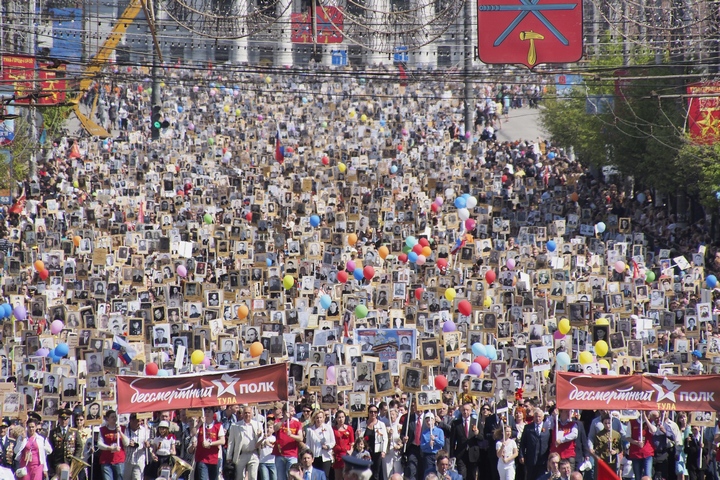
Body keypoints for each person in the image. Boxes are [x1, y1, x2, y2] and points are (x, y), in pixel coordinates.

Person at [226, 406, 264, 480]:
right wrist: (229, 457)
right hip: (241, 454)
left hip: (253, 454)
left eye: (249, 413)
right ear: (243, 414)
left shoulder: (258, 425)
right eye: (245, 413)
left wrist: (260, 435)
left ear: (252, 414)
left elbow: (261, 440)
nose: (247, 415)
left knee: (253, 477)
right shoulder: (235, 426)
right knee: (239, 477)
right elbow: (231, 442)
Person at [449, 402, 481, 480]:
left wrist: (477, 434)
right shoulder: (456, 423)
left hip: (473, 454)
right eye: (463, 410)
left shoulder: (476, 422)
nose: (465, 412)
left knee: (471, 475)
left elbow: (482, 437)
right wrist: (452, 455)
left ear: (470, 411)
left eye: (467, 410)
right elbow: (452, 440)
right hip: (460, 454)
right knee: (462, 475)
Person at [192, 408, 225, 480]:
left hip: (214, 459)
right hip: (202, 459)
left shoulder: (218, 425)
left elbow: (222, 441)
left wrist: (210, 444)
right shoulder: (200, 425)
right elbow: (192, 433)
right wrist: (200, 423)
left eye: (209, 412)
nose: (207, 414)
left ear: (213, 414)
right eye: (205, 412)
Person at [518, 408, 551, 480]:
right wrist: (521, 455)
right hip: (531, 459)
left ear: (542, 417)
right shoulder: (528, 428)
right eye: (536, 416)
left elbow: (549, 444)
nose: (537, 418)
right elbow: (523, 443)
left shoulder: (547, 429)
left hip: (543, 460)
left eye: (539, 416)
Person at [355, 406, 387, 480]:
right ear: (368, 413)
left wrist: (384, 451)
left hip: (377, 452)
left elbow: (385, 439)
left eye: (375, 412)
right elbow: (358, 440)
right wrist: (357, 434)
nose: (373, 413)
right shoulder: (362, 424)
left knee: (376, 473)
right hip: (365, 452)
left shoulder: (381, 424)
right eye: (371, 412)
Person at [273, 404, 303, 480]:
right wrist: (284, 419)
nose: (294, 412)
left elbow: (300, 438)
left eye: (294, 410)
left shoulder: (297, 423)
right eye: (291, 411)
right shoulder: (278, 421)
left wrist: (292, 435)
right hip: (280, 454)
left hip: (292, 454)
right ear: (285, 412)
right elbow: (275, 428)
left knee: (292, 477)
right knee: (280, 477)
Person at [48, 409, 82, 476]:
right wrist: (50, 464)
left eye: (66, 419)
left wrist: (76, 459)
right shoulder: (53, 432)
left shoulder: (74, 431)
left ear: (68, 419)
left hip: (70, 461)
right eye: (62, 419)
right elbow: (50, 448)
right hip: (57, 462)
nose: (64, 421)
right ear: (59, 419)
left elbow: (79, 446)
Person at [305, 410, 335, 480]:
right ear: (314, 418)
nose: (319, 419)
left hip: (326, 456)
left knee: (325, 476)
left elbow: (333, 441)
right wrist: (309, 455)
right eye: (317, 418)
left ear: (324, 418)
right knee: (316, 476)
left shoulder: (328, 428)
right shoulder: (310, 430)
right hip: (315, 456)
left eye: (321, 417)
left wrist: (328, 446)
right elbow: (308, 444)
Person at [98, 410, 127, 480]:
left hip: (119, 459)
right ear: (107, 419)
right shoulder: (102, 430)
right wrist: (109, 448)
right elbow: (99, 444)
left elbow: (126, 443)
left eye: (115, 416)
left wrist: (120, 432)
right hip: (106, 460)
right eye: (112, 417)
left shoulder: (122, 428)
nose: (114, 418)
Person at [123, 414, 151, 480]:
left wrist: (147, 445)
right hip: (127, 461)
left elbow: (148, 443)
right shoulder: (124, 429)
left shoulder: (144, 430)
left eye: (141, 421)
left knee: (137, 478)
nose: (140, 423)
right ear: (131, 420)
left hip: (139, 460)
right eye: (138, 421)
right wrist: (129, 443)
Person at [332, 411, 354, 480]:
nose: (341, 419)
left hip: (347, 455)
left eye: (342, 417)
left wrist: (351, 450)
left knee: (347, 476)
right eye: (339, 417)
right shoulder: (333, 429)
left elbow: (352, 442)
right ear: (336, 419)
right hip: (337, 456)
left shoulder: (349, 428)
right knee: (338, 477)